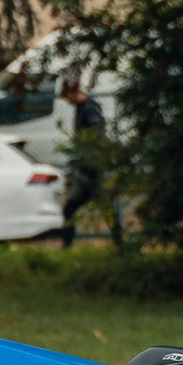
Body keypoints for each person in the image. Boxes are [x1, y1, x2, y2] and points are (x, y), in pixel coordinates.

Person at [57, 73, 109, 248]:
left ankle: (121, 244)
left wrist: (89, 159)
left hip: (92, 171)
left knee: (105, 209)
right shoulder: (81, 108)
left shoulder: (89, 109)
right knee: (69, 210)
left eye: (66, 97)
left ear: (73, 92)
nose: (66, 101)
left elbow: (96, 135)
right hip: (84, 170)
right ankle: (66, 247)